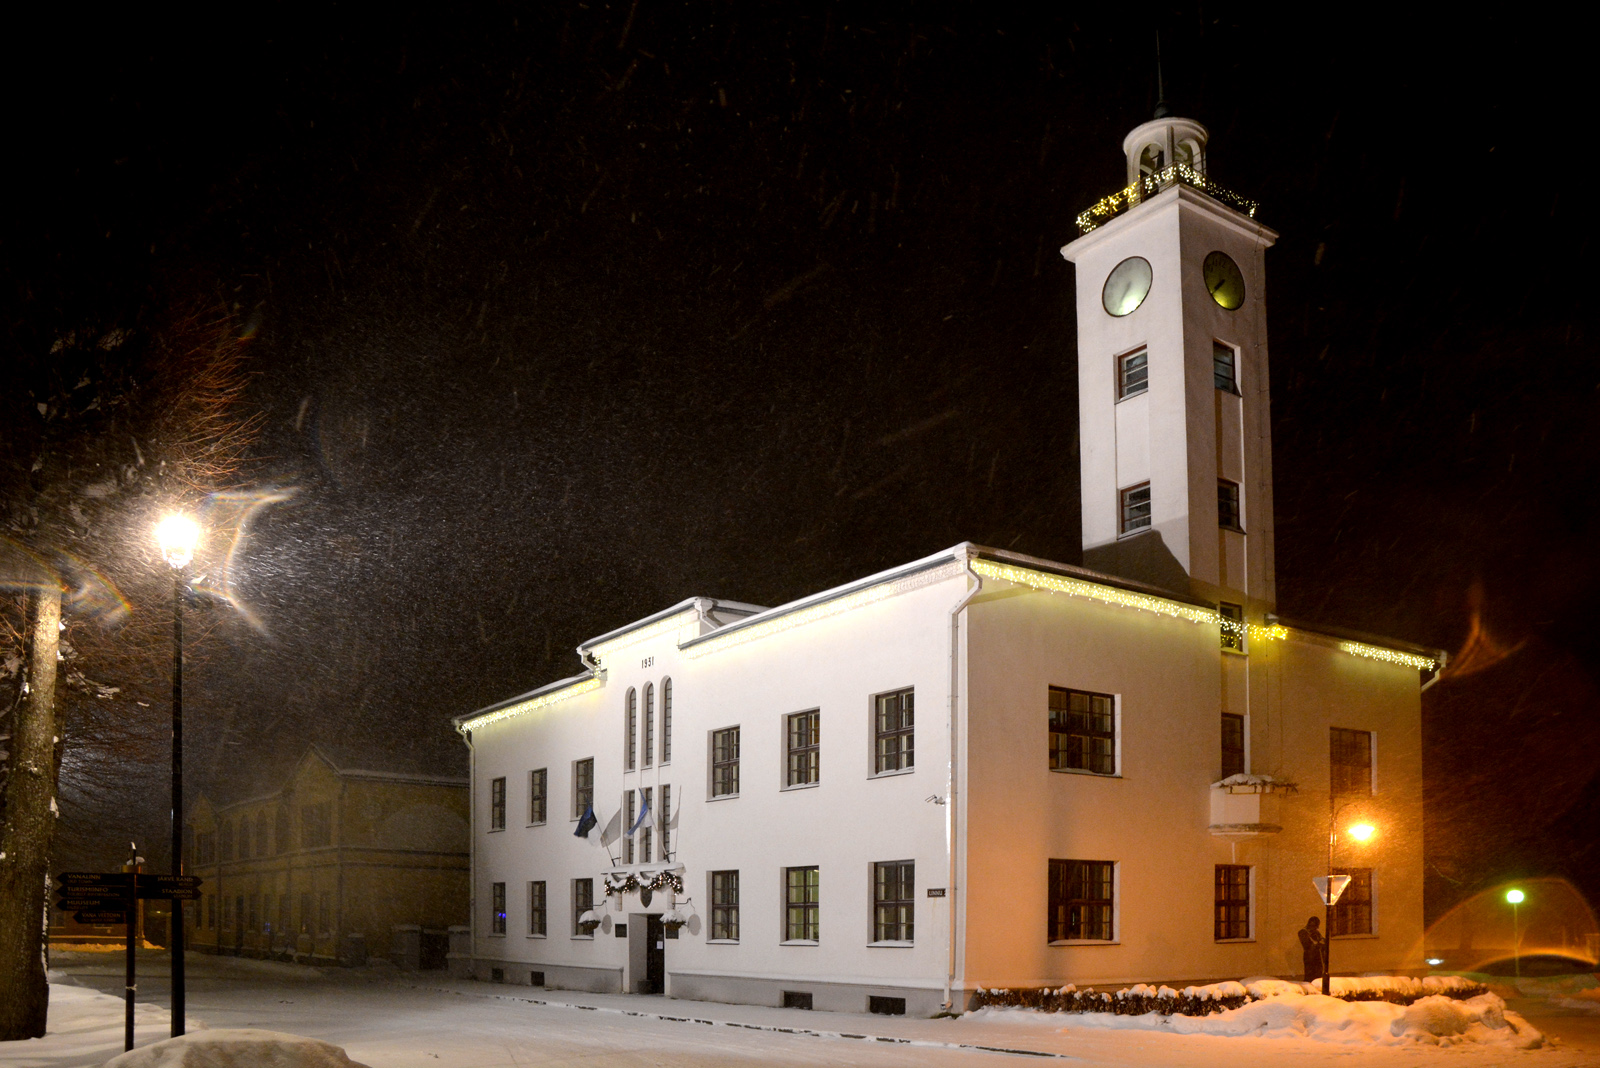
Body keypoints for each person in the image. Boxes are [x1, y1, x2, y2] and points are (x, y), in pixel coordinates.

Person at [1298, 916, 1326, 983]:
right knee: (1310, 974)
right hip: (1309, 956)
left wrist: (1321, 943)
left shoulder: (1316, 932)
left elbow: (1323, 941)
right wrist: (1318, 944)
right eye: (1314, 926)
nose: (1315, 928)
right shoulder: (1303, 932)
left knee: (1318, 973)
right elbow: (1307, 944)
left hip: (1317, 956)